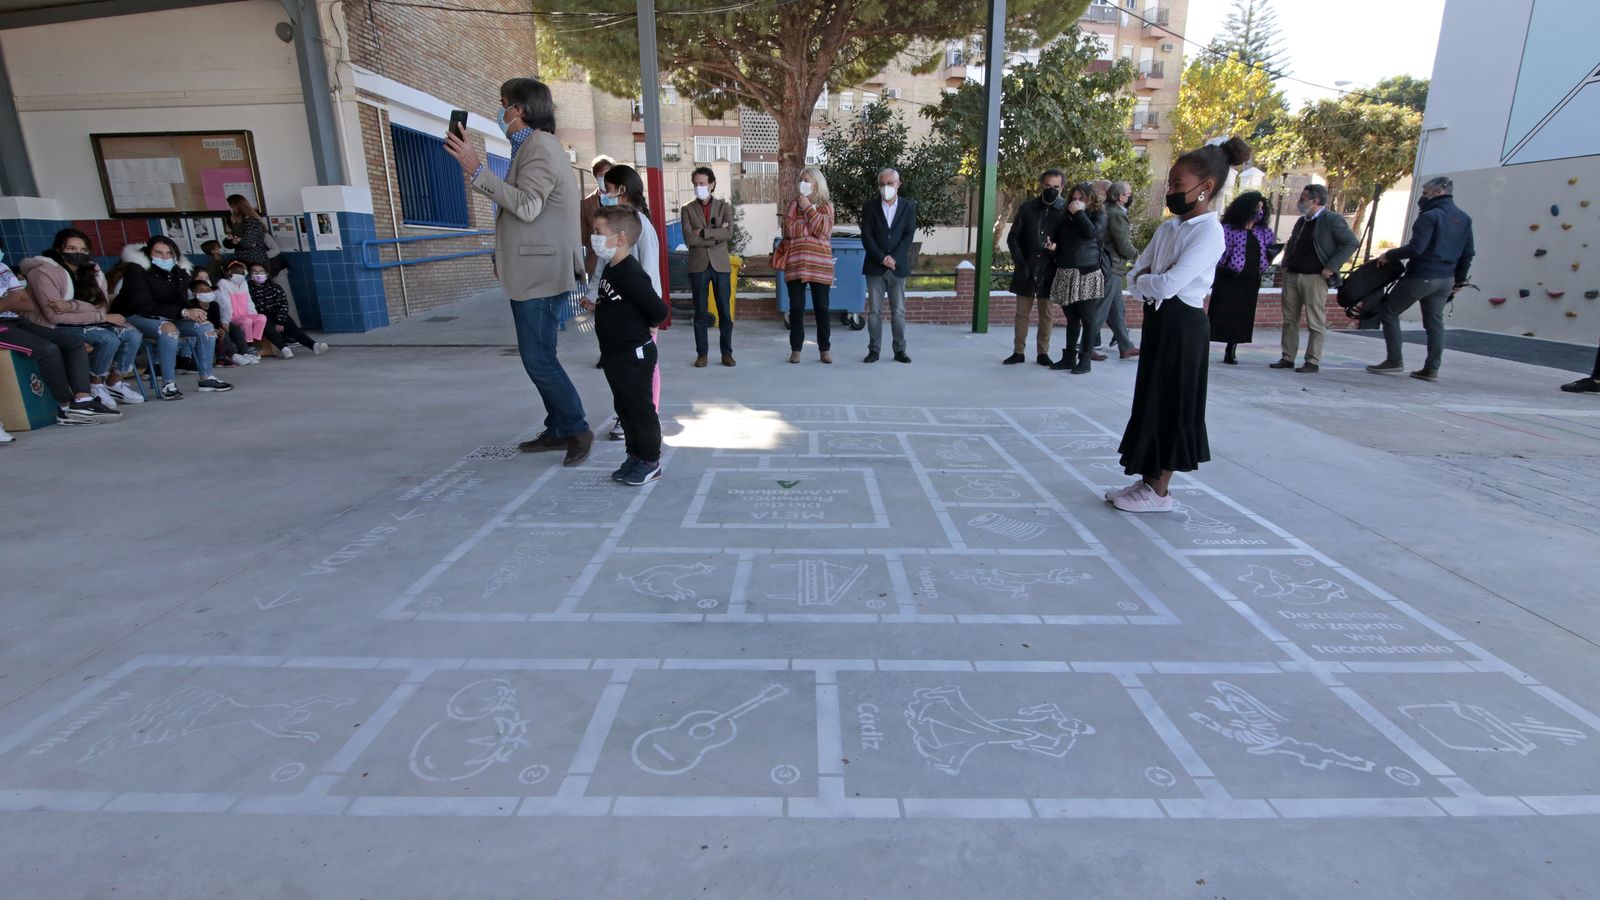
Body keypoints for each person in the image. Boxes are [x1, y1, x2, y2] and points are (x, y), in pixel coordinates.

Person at [445, 75, 592, 467]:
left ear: (519, 110)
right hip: (533, 268)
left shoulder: (539, 147)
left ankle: (576, 427)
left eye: (503, 103)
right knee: (539, 354)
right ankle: (560, 426)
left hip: (541, 273)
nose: (500, 111)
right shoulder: (528, 147)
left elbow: (526, 206)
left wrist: (477, 171)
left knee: (538, 358)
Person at [1107, 136, 1251, 513]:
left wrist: (1153, 279)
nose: (1170, 191)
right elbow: (1134, 276)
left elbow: (1170, 284)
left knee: (1174, 405)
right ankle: (1147, 480)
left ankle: (1159, 492)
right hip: (1158, 322)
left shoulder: (1209, 232)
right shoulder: (1169, 229)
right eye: (1170, 184)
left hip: (1185, 326)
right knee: (1152, 401)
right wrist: (1152, 279)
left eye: (1177, 185)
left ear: (1205, 189)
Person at [17, 229, 146, 406]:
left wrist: (73, 306)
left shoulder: (93, 271)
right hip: (53, 327)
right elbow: (55, 316)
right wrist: (97, 314)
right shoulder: (43, 273)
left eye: (83, 250)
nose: (78, 253)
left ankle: (114, 383)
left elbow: (101, 306)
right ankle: (95, 384)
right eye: (71, 248)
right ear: (58, 249)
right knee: (107, 338)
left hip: (90, 320)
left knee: (132, 334)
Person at [587, 207, 668, 485]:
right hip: (615, 354)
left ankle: (650, 460)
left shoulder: (631, 273)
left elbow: (658, 309)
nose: (594, 238)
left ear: (620, 238)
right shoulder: (611, 268)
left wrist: (651, 324)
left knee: (640, 410)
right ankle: (634, 455)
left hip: (634, 354)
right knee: (624, 408)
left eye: (599, 233)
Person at [1366, 176, 1475, 382]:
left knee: (1389, 312)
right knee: (1434, 322)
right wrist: (1458, 281)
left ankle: (1394, 360)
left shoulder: (1430, 216)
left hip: (1422, 275)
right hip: (1446, 278)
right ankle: (1431, 368)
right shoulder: (1463, 218)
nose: (1422, 198)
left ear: (1439, 192)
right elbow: (1468, 253)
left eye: (1425, 193)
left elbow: (1416, 248)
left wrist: (1388, 255)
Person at [0, 248, 121, 423]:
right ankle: (65, 406)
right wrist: (8, 302)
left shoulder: (2, 267)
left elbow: (26, 305)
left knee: (73, 343)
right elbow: (15, 300)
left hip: (15, 320)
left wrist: (9, 303)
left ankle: (83, 400)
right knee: (47, 349)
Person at [113, 236, 233, 400]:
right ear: (149, 253)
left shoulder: (179, 271)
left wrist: (194, 312)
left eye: (169, 253)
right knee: (169, 329)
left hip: (166, 316)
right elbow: (144, 306)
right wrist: (184, 312)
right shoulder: (136, 269)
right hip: (133, 317)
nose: (164, 257)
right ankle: (168, 384)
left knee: (205, 327)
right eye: (158, 252)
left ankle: (206, 378)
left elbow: (181, 301)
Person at [601, 164, 663, 440]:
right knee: (624, 371)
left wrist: (652, 318)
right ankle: (627, 415)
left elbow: (649, 272)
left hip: (639, 313)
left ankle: (645, 416)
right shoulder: (619, 223)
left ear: (622, 190)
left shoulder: (640, 226)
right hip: (622, 314)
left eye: (608, 190)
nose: (604, 195)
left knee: (642, 369)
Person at [1273, 183, 1358, 374]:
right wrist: (1285, 265)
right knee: (1289, 319)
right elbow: (1292, 243)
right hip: (1294, 275)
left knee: (1315, 320)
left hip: (1314, 277)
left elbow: (1351, 242)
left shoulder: (1331, 220)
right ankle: (1287, 356)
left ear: (1315, 200)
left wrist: (1331, 266)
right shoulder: (1302, 221)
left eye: (1303, 199)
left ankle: (1312, 360)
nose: (1299, 202)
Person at [1208, 191, 1278, 365]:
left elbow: (1271, 250)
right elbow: (1217, 250)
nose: (1259, 212)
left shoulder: (1264, 232)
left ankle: (1231, 350)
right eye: (1256, 207)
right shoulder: (1228, 229)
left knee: (1242, 316)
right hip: (1229, 277)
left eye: (1262, 208)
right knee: (1220, 311)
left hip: (1251, 279)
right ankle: (1205, 344)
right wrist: (1226, 263)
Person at [1005, 169, 1066, 366]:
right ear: (1041, 186)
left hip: (1050, 270)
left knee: (1047, 315)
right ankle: (1018, 351)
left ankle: (1042, 353)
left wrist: (1057, 249)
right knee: (1022, 313)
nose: (1051, 190)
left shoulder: (1065, 211)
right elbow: (1013, 237)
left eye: (1056, 187)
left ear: (1062, 188)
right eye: (1048, 186)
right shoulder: (1027, 208)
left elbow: (1071, 241)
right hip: (1027, 268)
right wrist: (1021, 262)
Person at [1047, 183, 1107, 374]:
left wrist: (1080, 213)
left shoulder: (1098, 215)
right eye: (1074, 198)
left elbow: (1091, 233)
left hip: (1087, 272)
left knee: (1087, 318)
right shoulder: (1065, 217)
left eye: (1081, 198)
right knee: (1071, 317)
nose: (1076, 202)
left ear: (1090, 199)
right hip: (1066, 270)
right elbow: (1058, 239)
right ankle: (1069, 357)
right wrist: (1052, 247)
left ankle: (1085, 359)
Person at [861, 167, 918, 364]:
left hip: (898, 267)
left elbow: (908, 234)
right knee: (874, 312)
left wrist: (894, 257)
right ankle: (874, 350)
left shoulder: (908, 207)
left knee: (898, 312)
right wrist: (882, 258)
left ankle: (899, 350)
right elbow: (866, 237)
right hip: (875, 267)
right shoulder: (869, 208)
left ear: (898, 184)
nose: (886, 187)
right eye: (882, 184)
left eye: (890, 183)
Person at [780, 166, 836, 364]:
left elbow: (823, 230)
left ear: (817, 184)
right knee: (796, 307)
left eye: (807, 180)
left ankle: (824, 349)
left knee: (822, 307)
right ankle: (796, 348)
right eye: (801, 179)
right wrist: (810, 226)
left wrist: (808, 209)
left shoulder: (825, 205)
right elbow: (789, 230)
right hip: (795, 264)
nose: (803, 183)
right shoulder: (792, 205)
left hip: (819, 264)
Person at [681, 166, 735, 368]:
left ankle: (727, 353)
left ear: (711, 184)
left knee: (725, 313)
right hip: (698, 266)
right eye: (695, 184)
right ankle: (702, 354)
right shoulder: (687, 208)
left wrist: (702, 233)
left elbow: (728, 234)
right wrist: (714, 233)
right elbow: (689, 238)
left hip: (720, 265)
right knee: (700, 313)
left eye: (702, 183)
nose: (698, 187)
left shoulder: (724, 207)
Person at [222, 194, 295, 308]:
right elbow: (228, 243)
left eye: (230, 206)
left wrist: (235, 239)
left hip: (256, 262)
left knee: (261, 292)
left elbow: (247, 242)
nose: (229, 209)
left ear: (237, 206)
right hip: (244, 263)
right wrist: (235, 239)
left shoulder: (252, 222)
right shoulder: (238, 224)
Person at [1098, 181, 1141, 361]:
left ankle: (1126, 346)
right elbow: (1123, 244)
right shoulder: (1116, 214)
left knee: (1117, 309)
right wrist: (1138, 256)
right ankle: (1086, 347)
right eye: (1128, 194)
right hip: (1112, 266)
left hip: (1111, 266)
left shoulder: (1108, 210)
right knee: (1101, 309)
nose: (1130, 197)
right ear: (1119, 196)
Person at [246, 262, 325, 358]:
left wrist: (280, 321)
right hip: (260, 316)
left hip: (277, 314)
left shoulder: (275, 287)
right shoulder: (247, 289)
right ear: (250, 274)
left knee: (288, 323)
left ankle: (313, 345)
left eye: (261, 271)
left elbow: (283, 304)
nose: (258, 274)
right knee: (265, 323)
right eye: (254, 272)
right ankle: (284, 348)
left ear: (266, 274)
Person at [580, 155, 615, 298]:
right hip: (595, 259)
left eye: (606, 174)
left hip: (618, 256)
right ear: (595, 177)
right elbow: (582, 234)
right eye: (599, 175)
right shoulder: (586, 203)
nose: (603, 178)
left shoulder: (621, 198)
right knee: (597, 300)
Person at [218, 260, 268, 352]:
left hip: (245, 314)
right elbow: (225, 304)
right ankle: (248, 344)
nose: (240, 275)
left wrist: (254, 316)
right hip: (233, 317)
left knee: (261, 318)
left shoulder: (244, 283)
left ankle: (255, 340)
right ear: (229, 272)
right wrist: (226, 321)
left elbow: (249, 301)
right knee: (247, 321)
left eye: (241, 272)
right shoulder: (223, 283)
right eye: (237, 272)